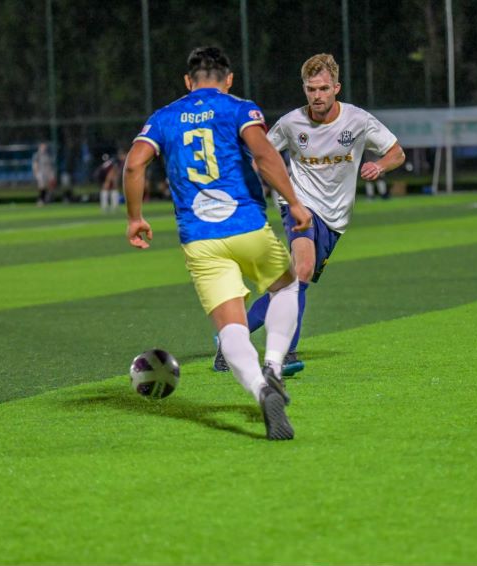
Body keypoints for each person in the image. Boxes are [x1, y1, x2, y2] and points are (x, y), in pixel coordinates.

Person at [123, 46, 312, 441]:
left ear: (187, 81)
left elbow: (135, 164)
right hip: (247, 225)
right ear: (228, 79)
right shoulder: (239, 108)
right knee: (286, 286)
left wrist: (135, 218)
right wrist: (293, 202)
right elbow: (264, 155)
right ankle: (274, 366)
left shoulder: (163, 117)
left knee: (232, 328)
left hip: (199, 239)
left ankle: (260, 389)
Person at [213, 53, 405, 376]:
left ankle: (231, 337)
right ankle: (285, 353)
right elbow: (260, 154)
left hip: (335, 218)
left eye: (324, 89)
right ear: (304, 89)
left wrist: (380, 165)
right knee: (302, 269)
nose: (317, 96)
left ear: (336, 88)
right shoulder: (291, 123)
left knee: (293, 284)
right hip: (298, 203)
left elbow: (396, 152)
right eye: (311, 89)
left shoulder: (358, 120)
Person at [100, 148, 125, 212]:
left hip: (105, 174)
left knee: (112, 188)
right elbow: (111, 172)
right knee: (108, 188)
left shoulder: (117, 161)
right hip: (104, 174)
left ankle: (112, 206)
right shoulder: (116, 161)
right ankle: (105, 206)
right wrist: (108, 181)